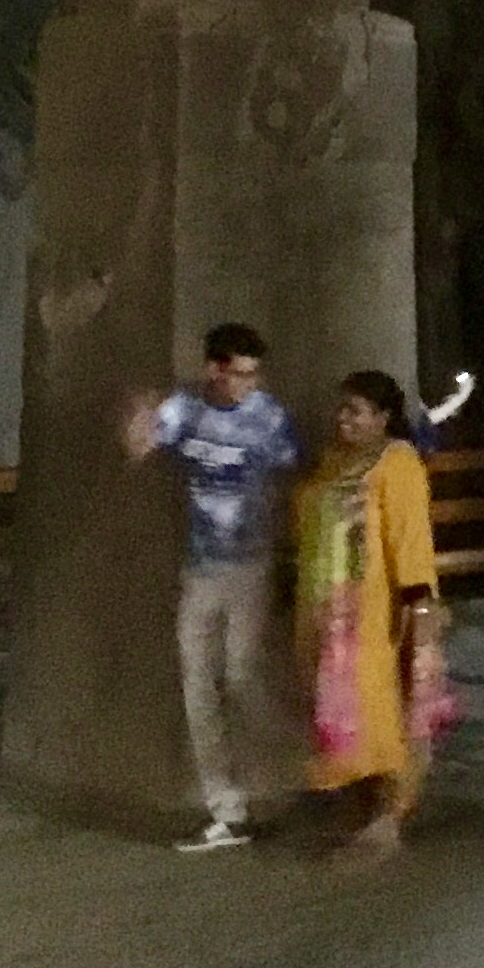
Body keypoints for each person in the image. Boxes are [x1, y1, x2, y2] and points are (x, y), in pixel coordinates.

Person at [124, 321, 303, 853]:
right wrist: (140, 419)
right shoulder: (186, 410)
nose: (247, 384)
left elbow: (292, 475)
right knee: (198, 684)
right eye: (238, 374)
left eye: (253, 374)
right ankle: (226, 809)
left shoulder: (268, 416)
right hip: (200, 569)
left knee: (243, 679)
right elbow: (139, 449)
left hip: (251, 566)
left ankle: (281, 780)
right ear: (214, 369)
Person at [292, 371, 452, 856]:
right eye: (342, 409)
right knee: (341, 711)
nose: (345, 419)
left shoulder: (396, 463)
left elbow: (409, 536)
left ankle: (391, 812)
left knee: (383, 707)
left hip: (374, 611)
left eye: (357, 411)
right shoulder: (334, 462)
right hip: (330, 610)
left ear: (384, 418)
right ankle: (361, 808)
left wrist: (419, 601)